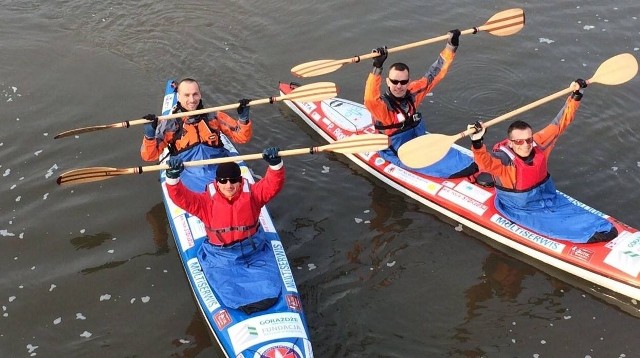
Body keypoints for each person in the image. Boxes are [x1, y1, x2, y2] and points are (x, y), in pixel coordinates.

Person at [468, 79, 617, 244]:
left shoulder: (539, 144)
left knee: (606, 228)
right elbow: (484, 163)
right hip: (521, 209)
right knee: (591, 232)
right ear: (510, 143)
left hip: (548, 198)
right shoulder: (503, 161)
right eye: (519, 142)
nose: (525, 145)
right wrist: (477, 142)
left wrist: (577, 94)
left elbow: (561, 122)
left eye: (528, 140)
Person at [164, 147, 285, 314]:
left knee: (268, 289)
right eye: (224, 181)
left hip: (254, 251)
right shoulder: (205, 203)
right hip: (221, 257)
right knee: (230, 291)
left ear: (240, 180)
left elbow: (273, 184)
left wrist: (275, 165)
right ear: (217, 182)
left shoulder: (254, 195)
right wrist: (173, 177)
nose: (229, 185)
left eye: (233, 180)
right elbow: (180, 197)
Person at [364, 29, 478, 178]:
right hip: (398, 152)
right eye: (395, 81)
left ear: (408, 82)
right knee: (459, 168)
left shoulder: (413, 93)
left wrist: (451, 45)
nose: (399, 86)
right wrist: (377, 67)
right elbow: (370, 99)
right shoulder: (382, 107)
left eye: (404, 82)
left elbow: (434, 74)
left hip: (418, 142)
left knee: (469, 164)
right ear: (388, 81)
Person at [141, 78, 253, 192]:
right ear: (178, 97)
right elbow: (149, 156)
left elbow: (242, 138)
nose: (192, 99)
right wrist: (149, 136)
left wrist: (243, 119)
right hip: (189, 172)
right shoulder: (170, 123)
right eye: (187, 95)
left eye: (195, 94)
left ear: (200, 95)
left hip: (219, 168)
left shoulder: (213, 116)